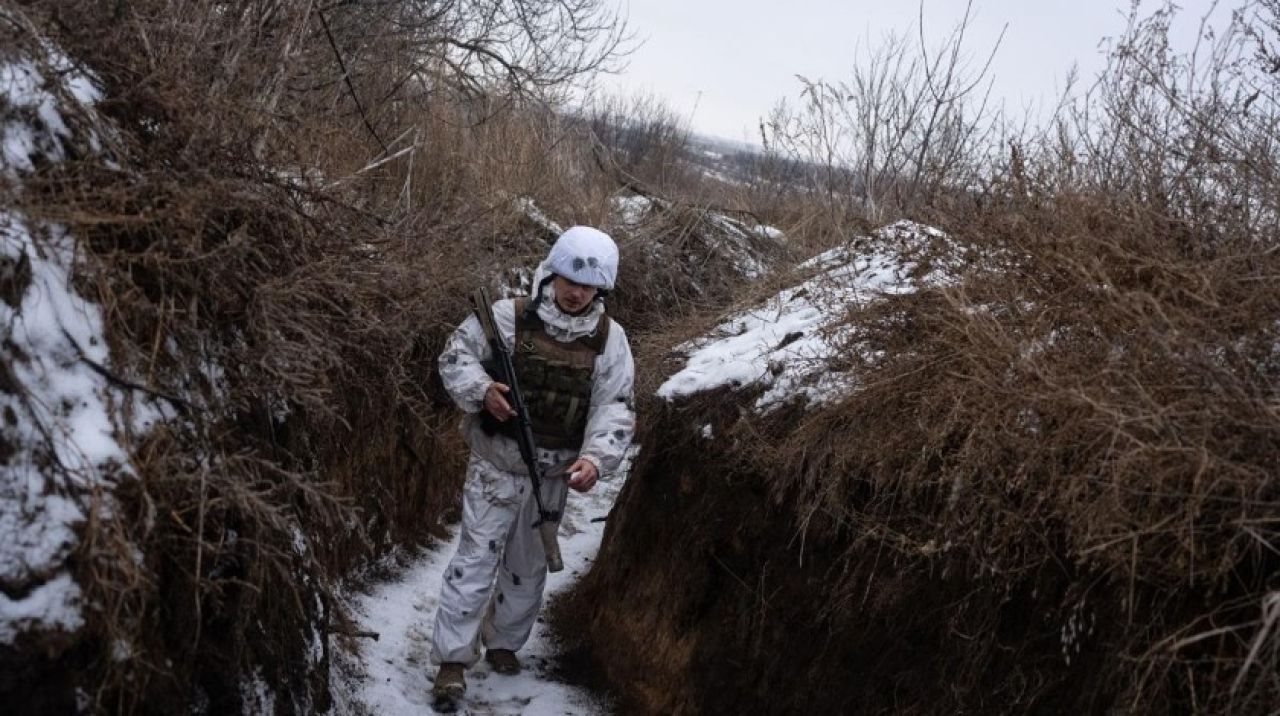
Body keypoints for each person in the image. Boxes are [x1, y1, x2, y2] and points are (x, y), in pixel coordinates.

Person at [429, 225, 636, 701]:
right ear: (553, 273)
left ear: (601, 288)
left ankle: (505, 644)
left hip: (553, 474)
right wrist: (483, 391)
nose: (576, 291)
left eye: (587, 285)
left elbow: (616, 405)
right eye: (569, 279)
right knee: (475, 561)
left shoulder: (610, 340)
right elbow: (455, 357)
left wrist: (596, 460)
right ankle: (451, 662)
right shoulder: (507, 318)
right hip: (496, 465)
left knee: (527, 565)